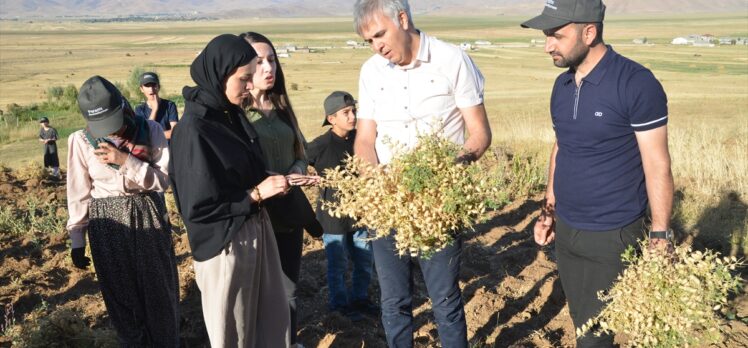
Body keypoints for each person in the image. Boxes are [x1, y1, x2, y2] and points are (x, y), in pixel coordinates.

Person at [522, 0, 674, 346]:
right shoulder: (561, 88)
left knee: (595, 335)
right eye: (546, 36)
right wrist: (549, 209)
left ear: (589, 32)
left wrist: (661, 234)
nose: (548, 46)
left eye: (556, 36)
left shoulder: (636, 83)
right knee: (582, 321)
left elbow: (657, 163)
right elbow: (562, 146)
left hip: (613, 233)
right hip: (568, 230)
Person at [353, 1, 492, 346]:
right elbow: (364, 139)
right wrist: (373, 181)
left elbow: (479, 134)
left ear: (402, 19)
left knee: (444, 299)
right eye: (369, 41)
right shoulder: (371, 72)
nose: (377, 46)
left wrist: (445, 174)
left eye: (380, 34)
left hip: (439, 204)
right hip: (387, 205)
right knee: (394, 300)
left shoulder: (452, 60)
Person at [169, 34, 291, 347]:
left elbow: (236, 172)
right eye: (244, 79)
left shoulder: (229, 114)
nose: (251, 86)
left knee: (269, 326)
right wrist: (256, 194)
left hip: (254, 231)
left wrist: (268, 179)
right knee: (235, 336)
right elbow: (198, 207)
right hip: (226, 246)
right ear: (220, 75)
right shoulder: (193, 130)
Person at [66, 75, 179, 346]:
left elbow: (164, 181)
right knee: (121, 296)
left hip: (148, 213)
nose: (111, 132)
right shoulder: (80, 141)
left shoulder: (150, 130)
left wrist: (127, 161)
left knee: (159, 291)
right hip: (107, 223)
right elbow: (78, 192)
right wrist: (77, 239)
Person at [239, 31, 318, 347]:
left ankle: (288, 342)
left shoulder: (283, 106)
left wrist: (297, 171)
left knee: (288, 288)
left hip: (288, 213)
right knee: (255, 290)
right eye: (259, 62)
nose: (268, 68)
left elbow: (302, 151)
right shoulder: (238, 113)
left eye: (271, 60)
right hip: (255, 214)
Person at [307, 91, 377, 321]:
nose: (352, 116)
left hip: (361, 215)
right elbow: (298, 161)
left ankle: (360, 299)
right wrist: (306, 176)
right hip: (333, 219)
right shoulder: (319, 146)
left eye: (353, 111)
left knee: (364, 262)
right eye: (345, 112)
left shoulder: (363, 139)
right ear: (331, 119)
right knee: (337, 265)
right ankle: (339, 306)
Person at [134, 72, 179, 140]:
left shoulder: (170, 105)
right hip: (150, 149)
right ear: (141, 89)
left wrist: (151, 136)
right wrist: (155, 109)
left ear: (159, 87)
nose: (151, 89)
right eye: (147, 86)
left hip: (169, 149)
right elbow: (145, 132)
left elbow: (175, 132)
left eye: (153, 85)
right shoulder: (139, 110)